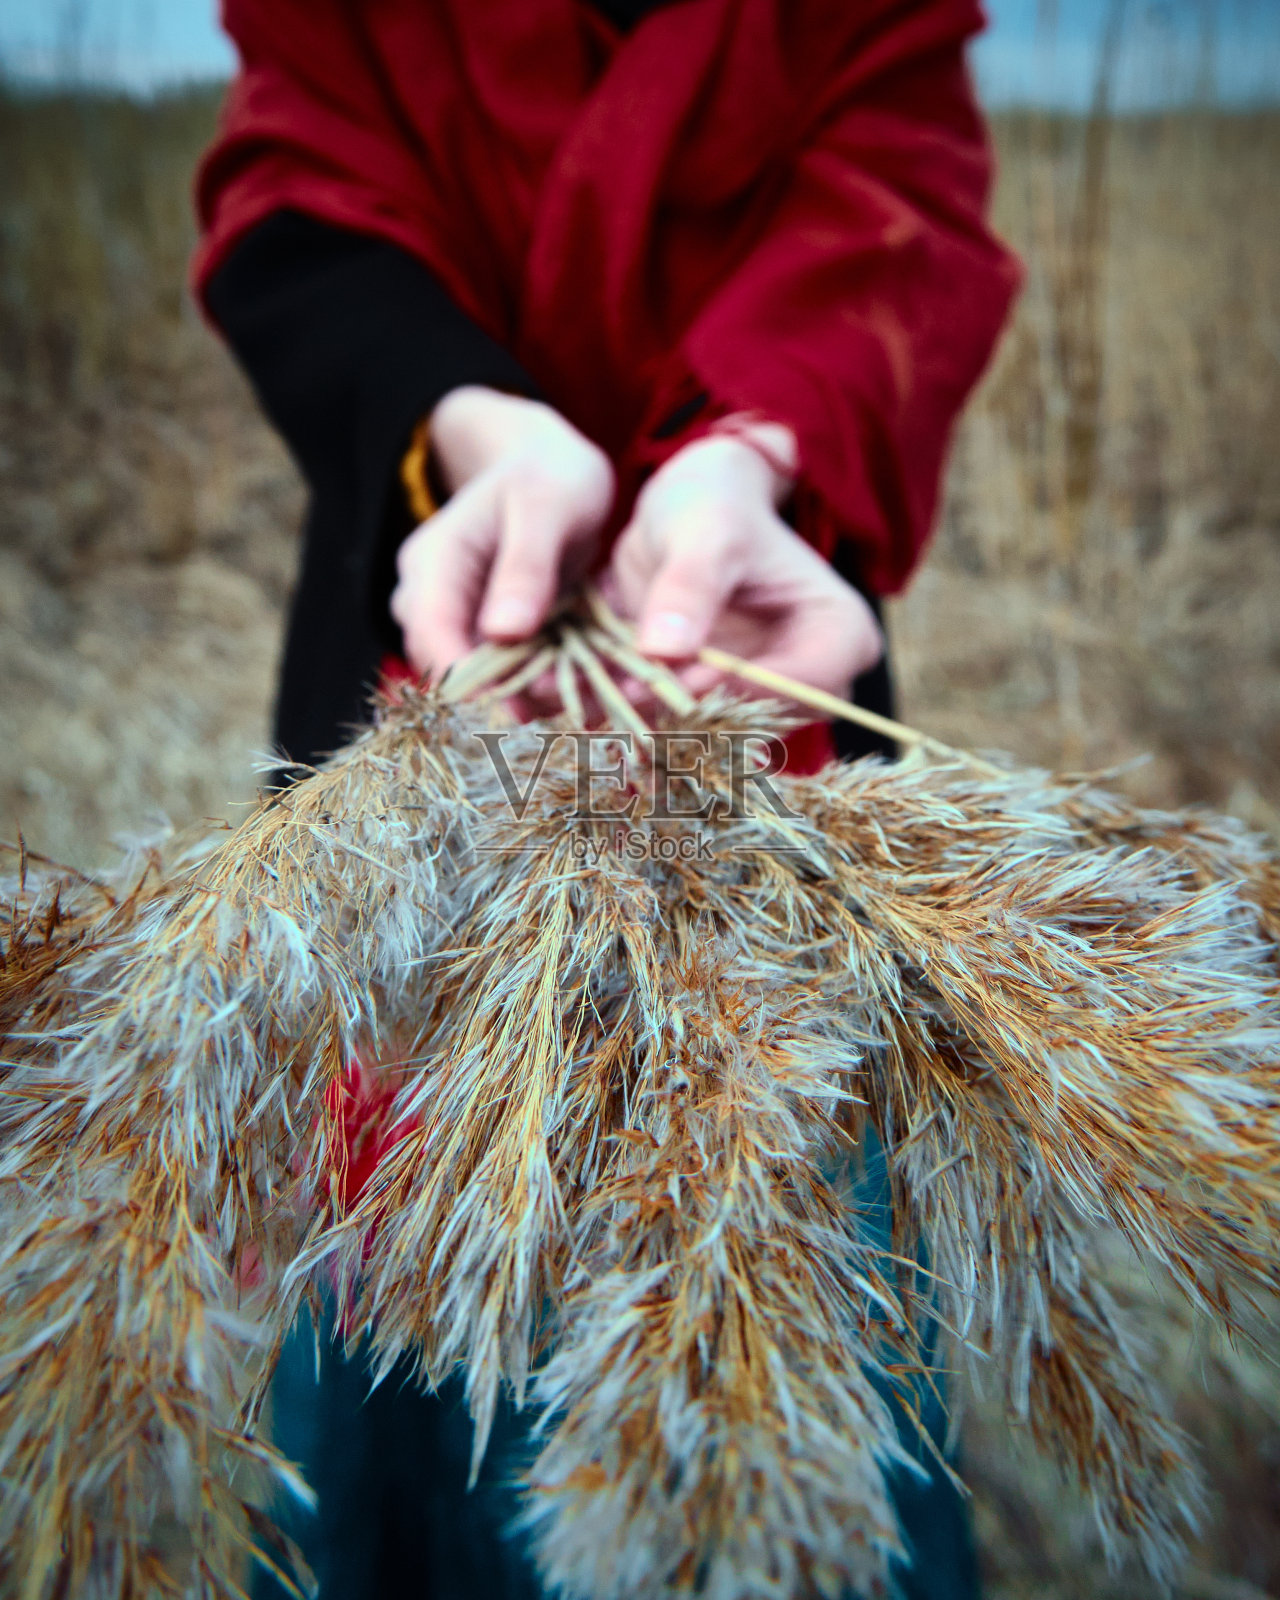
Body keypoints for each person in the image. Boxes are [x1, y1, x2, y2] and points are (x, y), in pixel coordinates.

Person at [194, 2, 1021, 1595]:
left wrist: (755, 449)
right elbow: (301, 194)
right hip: (430, 677)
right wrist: (470, 431)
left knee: (794, 1272)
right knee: (401, 1305)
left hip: (760, 693)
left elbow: (899, 209)